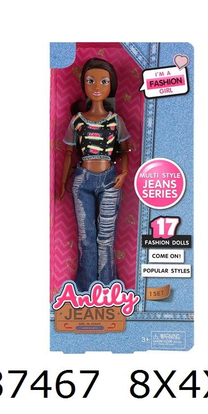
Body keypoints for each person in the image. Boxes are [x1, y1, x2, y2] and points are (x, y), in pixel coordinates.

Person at [58, 58, 130, 291]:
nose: (97, 86)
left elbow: (125, 149)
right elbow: (69, 153)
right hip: (82, 181)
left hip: (110, 179)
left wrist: (125, 172)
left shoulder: (115, 121)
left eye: (103, 81)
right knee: (86, 237)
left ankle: (108, 289)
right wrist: (62, 182)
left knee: (106, 238)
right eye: (91, 81)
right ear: (84, 84)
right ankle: (87, 288)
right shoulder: (77, 121)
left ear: (111, 85)